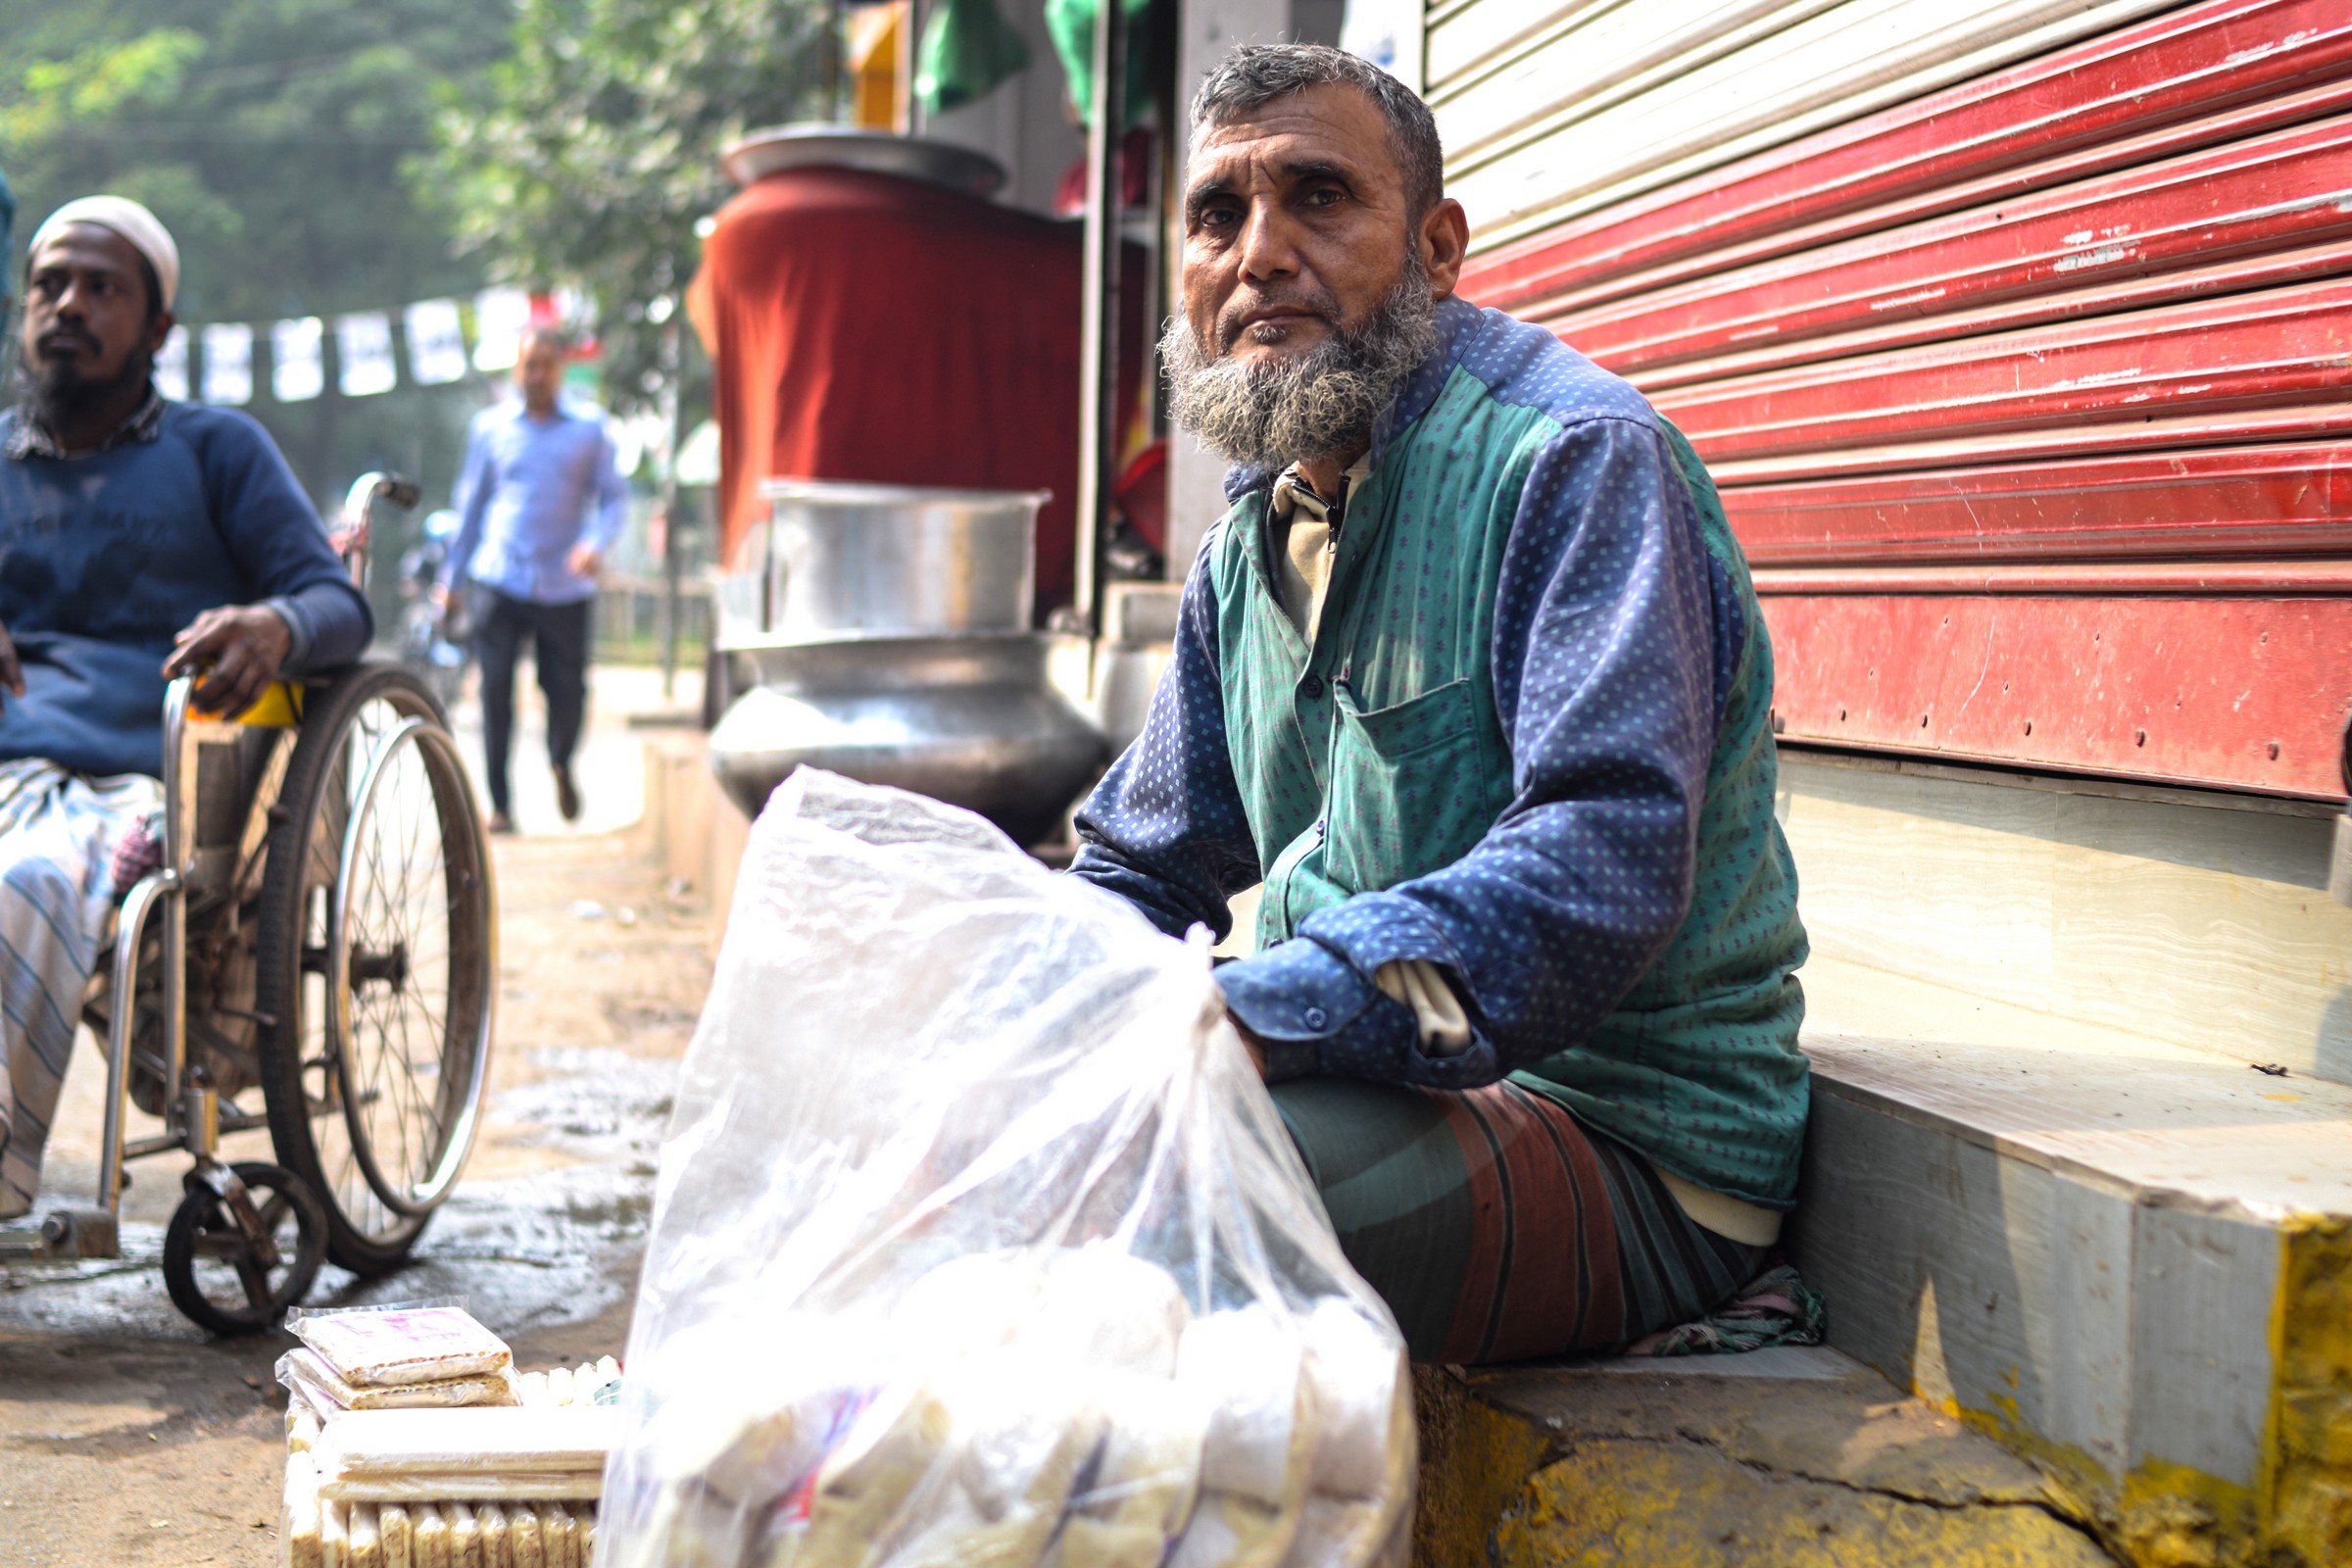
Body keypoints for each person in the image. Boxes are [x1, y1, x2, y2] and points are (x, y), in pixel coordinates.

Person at [1069, 46, 1810, 1364]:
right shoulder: (1249, 544)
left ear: (1437, 247)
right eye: (1219, 217)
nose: (1262, 257)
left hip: (1616, 1143)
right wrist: (1011, 1007)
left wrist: (1261, 1008)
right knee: (984, 1152)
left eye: (1319, 199)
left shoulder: (1572, 463)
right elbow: (1142, 859)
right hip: (1386, 1086)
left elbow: (1606, 861)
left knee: (1132, 1207)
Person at [0, 195, 371, 1217]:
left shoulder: (217, 450)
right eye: (49, 285)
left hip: (142, 787)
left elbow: (336, 602)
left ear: (157, 329)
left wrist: (272, 626)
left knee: (25, 879)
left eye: (101, 288)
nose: (68, 304)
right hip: (8, 767)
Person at [441, 327, 629, 833]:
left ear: (562, 370)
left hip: (564, 586)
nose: (537, 375)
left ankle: (561, 761)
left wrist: (595, 543)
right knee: (494, 691)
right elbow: (470, 505)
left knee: (566, 691)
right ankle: (501, 806)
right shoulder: (490, 429)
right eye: (529, 365)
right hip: (498, 576)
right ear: (516, 369)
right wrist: (450, 580)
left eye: (547, 365)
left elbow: (614, 498)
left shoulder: (590, 430)